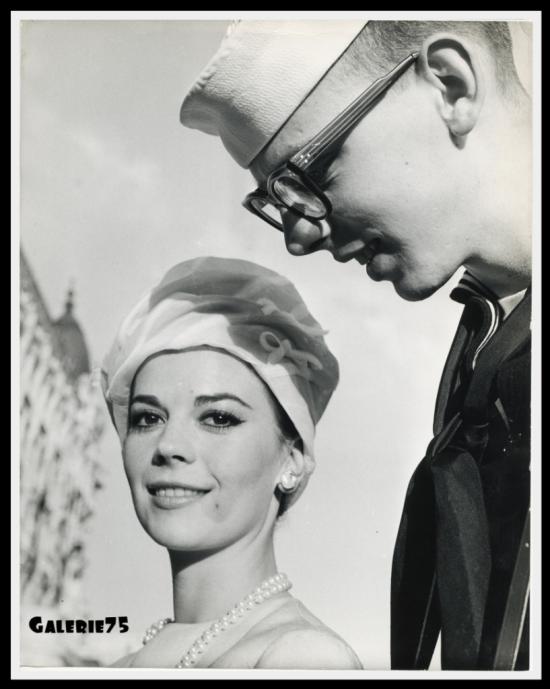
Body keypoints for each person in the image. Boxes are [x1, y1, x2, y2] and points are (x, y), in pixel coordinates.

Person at [179, 20, 532, 670]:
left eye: (312, 168)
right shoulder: (481, 346)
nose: (299, 235)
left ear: (451, 86)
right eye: (276, 200)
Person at [101, 255, 362, 670]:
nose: (168, 445)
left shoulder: (298, 657)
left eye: (219, 418)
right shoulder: (123, 666)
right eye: (148, 418)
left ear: (291, 461)